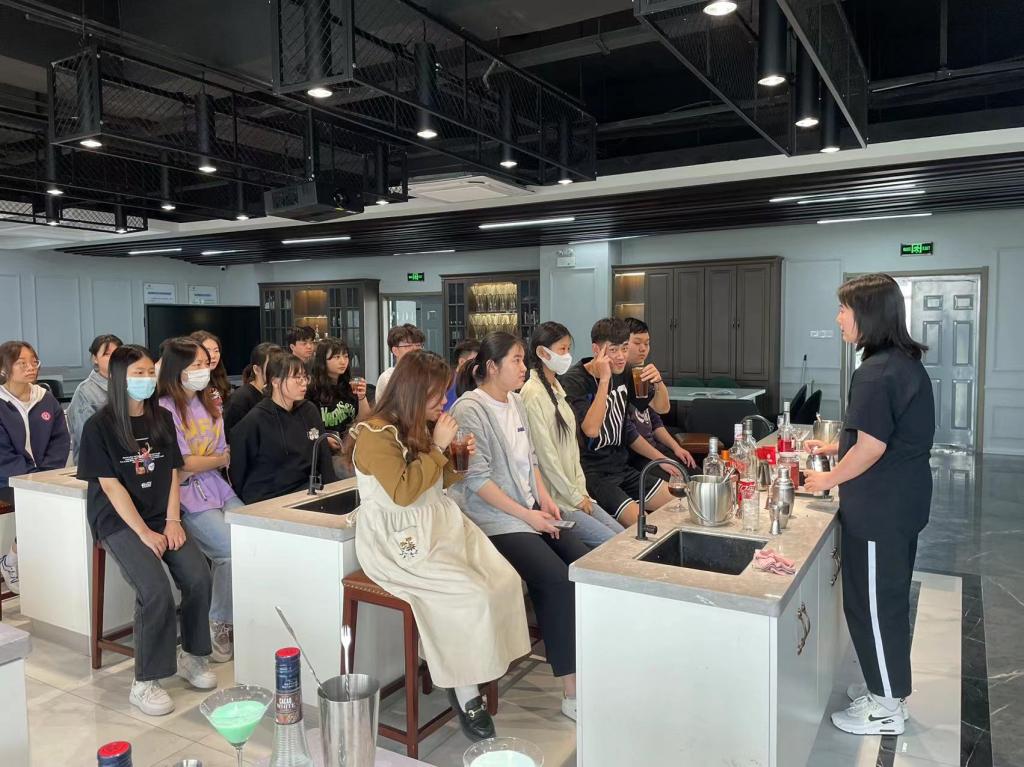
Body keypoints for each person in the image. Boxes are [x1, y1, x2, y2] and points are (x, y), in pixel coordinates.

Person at [348, 350, 529, 741]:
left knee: (502, 579)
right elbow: (404, 492)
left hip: (438, 525)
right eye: (437, 395)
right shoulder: (374, 435)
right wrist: (438, 448)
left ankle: (470, 666)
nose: (443, 402)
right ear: (414, 392)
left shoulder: (415, 426)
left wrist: (455, 458)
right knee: (468, 593)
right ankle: (466, 692)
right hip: (398, 539)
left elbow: (438, 483)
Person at [803, 274, 935, 737]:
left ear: (868, 314)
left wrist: (827, 477)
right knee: (882, 601)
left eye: (844, 309)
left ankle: (886, 707)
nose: (838, 317)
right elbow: (880, 435)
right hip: (900, 501)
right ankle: (886, 687)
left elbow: (873, 447)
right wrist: (836, 449)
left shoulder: (876, 373)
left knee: (876, 606)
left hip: (881, 508)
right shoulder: (899, 363)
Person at [449, 332, 588, 722]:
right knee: (556, 580)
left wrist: (543, 500)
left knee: (583, 564)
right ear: (492, 367)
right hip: (492, 519)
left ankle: (588, 662)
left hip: (528, 510)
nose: (524, 367)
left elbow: (532, 461)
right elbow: (477, 480)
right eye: (516, 360)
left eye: (523, 359)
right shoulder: (470, 409)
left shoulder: (515, 401)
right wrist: (529, 516)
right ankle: (572, 691)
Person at [76, 344, 216, 716]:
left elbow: (171, 472)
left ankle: (192, 656)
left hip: (160, 516)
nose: (147, 379)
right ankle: (145, 682)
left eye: (149, 372)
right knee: (155, 591)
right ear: (118, 378)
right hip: (119, 521)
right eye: (138, 373)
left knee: (198, 576)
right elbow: (111, 487)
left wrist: (172, 521)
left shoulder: (161, 418)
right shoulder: (99, 427)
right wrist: (143, 533)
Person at [157, 337, 241, 662]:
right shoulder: (165, 408)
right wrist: (215, 460)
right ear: (177, 369)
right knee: (229, 551)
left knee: (252, 537)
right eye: (196, 365)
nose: (204, 370)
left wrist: (212, 461)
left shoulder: (210, 401)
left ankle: (241, 616)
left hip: (216, 486)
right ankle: (218, 621)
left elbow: (220, 449)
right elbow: (183, 465)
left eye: (206, 364)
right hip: (184, 495)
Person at [560, 318, 676, 527]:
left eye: (624, 348)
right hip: (593, 475)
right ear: (597, 350)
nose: (621, 356)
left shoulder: (625, 372)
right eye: (613, 350)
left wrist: (659, 383)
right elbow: (591, 429)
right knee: (646, 527)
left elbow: (662, 408)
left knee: (679, 505)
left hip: (621, 467)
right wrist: (604, 380)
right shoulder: (573, 381)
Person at [520, 322, 623, 547]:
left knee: (624, 538)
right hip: (558, 500)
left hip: (576, 493)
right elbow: (545, 457)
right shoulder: (532, 393)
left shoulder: (556, 387)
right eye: (562, 349)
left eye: (568, 349)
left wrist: (580, 492)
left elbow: (572, 450)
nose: (567, 355)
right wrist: (575, 497)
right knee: (614, 545)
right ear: (542, 352)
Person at [0, 341, 71, 594]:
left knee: (66, 502)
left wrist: (45, 475)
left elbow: (60, 440)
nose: (31, 367)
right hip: (7, 478)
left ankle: (41, 568)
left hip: (45, 476)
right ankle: (13, 560)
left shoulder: (45, 398)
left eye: (34, 361)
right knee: (41, 504)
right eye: (22, 363)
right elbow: (2, 453)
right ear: (4, 368)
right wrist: (31, 479)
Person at [229, 353, 336, 504]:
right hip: (268, 495)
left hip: (305, 488)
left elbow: (323, 456)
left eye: (305, 377)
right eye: (297, 377)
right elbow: (239, 466)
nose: (303, 383)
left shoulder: (308, 410)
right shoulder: (256, 419)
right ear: (275, 381)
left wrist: (332, 490)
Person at [622, 318, 696, 472]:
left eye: (647, 343)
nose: (643, 348)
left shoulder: (642, 373)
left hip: (655, 447)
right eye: (637, 343)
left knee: (694, 472)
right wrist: (661, 459)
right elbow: (629, 434)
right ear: (622, 344)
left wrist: (676, 448)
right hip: (636, 456)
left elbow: (659, 413)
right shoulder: (618, 380)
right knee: (679, 480)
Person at [68, 333, 123, 463]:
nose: (113, 358)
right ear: (95, 359)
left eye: (117, 353)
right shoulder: (85, 391)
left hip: (126, 458)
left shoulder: (128, 385)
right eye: (107, 354)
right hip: (97, 461)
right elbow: (86, 436)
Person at [223, 342, 281, 435]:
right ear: (256, 369)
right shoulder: (240, 400)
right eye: (272, 366)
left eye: (281, 366)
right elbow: (232, 436)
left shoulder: (280, 393)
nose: (278, 371)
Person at [375, 324, 425, 400]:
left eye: (418, 345)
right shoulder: (388, 378)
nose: (415, 350)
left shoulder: (429, 374)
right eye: (408, 346)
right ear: (395, 351)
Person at [190, 330, 232, 403]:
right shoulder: (190, 382)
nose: (213, 356)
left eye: (216, 351)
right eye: (207, 351)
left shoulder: (219, 377)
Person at [443, 339, 480, 412]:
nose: (478, 365)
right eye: (475, 361)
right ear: (461, 361)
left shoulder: (470, 380)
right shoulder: (451, 382)